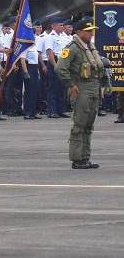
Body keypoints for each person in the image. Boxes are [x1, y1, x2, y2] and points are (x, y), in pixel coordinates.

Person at [56, 18, 105, 169]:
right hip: (81, 89)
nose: (91, 34)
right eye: (88, 31)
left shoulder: (89, 47)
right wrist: (71, 85)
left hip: (93, 87)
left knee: (89, 124)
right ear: (78, 32)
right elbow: (60, 68)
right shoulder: (73, 48)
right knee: (79, 124)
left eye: (92, 31)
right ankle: (77, 159)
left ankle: (85, 157)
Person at [21, 34, 42, 120]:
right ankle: (28, 112)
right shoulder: (25, 48)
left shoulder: (35, 47)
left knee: (35, 91)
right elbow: (22, 60)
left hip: (35, 68)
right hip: (29, 68)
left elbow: (36, 60)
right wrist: (26, 72)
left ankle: (33, 112)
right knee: (29, 92)